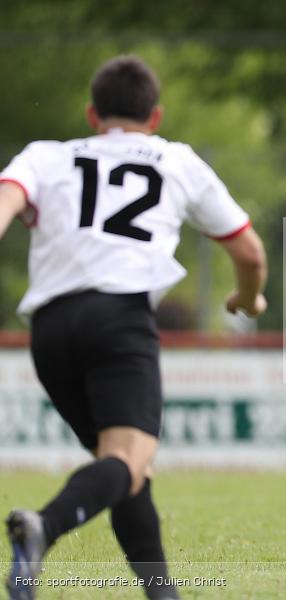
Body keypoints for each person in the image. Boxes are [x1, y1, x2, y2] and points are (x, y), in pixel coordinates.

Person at [0, 55, 267, 600]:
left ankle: (162, 594)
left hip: (50, 329)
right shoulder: (176, 160)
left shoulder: (46, 157)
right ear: (156, 114)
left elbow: (4, 207)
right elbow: (249, 248)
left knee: (123, 467)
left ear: (92, 113)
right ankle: (42, 529)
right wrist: (247, 294)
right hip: (119, 321)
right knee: (127, 460)